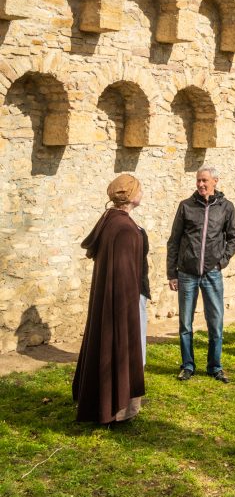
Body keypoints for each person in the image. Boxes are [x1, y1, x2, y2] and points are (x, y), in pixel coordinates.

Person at [73, 173, 147, 424]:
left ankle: (104, 404)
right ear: (131, 196)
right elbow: (124, 275)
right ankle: (116, 409)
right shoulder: (125, 228)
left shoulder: (109, 220)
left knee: (102, 343)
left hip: (109, 298)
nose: (142, 193)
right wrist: (127, 310)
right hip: (119, 301)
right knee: (117, 346)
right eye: (139, 189)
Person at [167, 166, 235, 383]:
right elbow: (174, 241)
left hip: (212, 274)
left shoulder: (226, 207)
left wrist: (221, 261)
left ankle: (214, 367)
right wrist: (172, 273)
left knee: (215, 323)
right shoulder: (186, 206)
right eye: (198, 180)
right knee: (185, 324)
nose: (200, 184)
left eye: (205, 180)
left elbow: (234, 237)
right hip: (186, 274)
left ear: (215, 181)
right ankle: (187, 365)